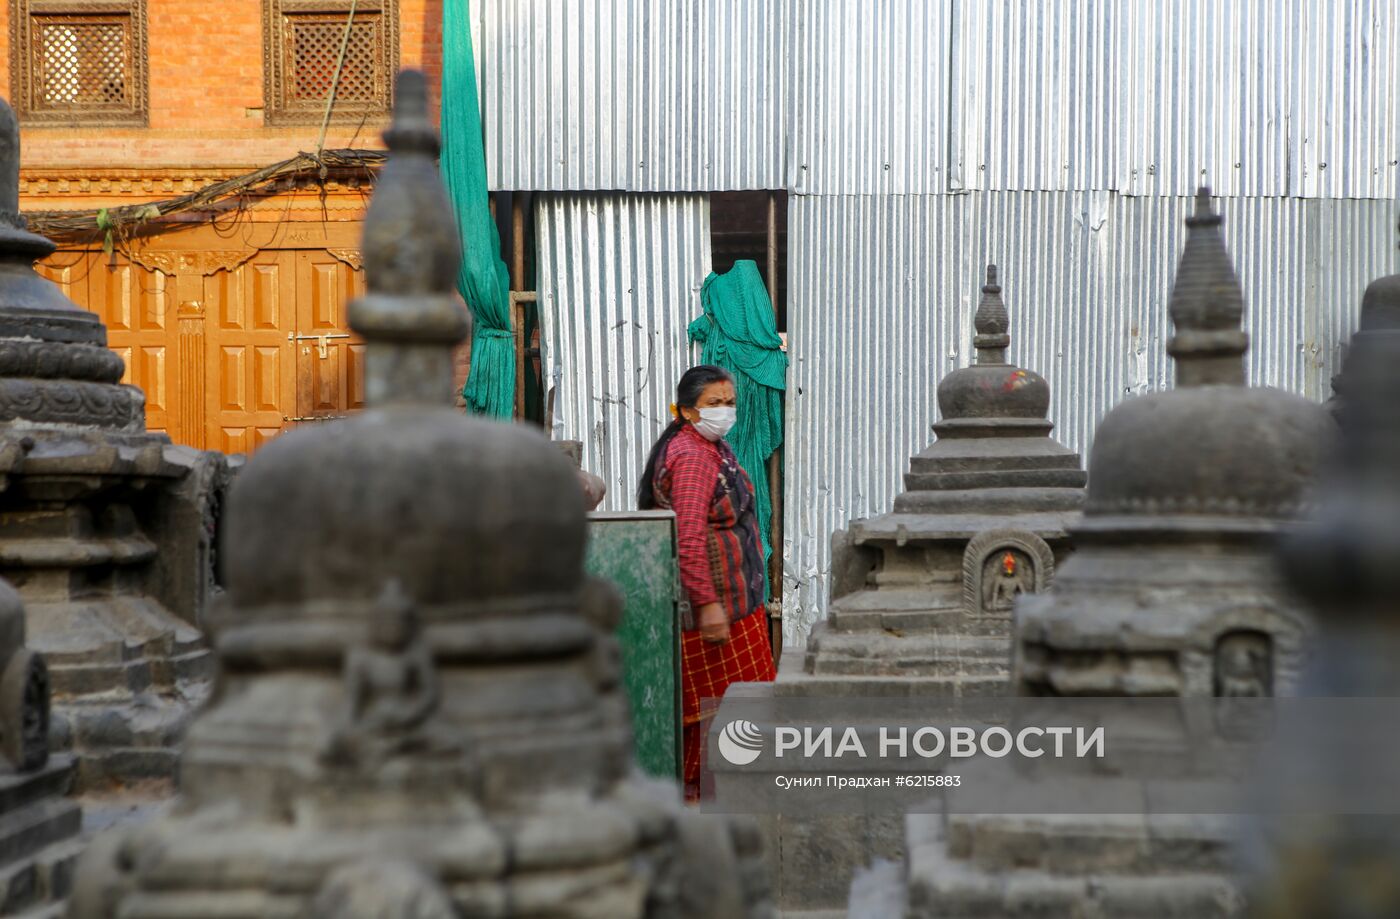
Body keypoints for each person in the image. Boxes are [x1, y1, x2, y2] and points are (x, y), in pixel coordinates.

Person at [638, 365, 776, 799]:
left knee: (733, 710)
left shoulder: (711, 446)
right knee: (719, 713)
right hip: (715, 614)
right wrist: (708, 605)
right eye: (714, 404)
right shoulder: (694, 457)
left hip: (735, 605)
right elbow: (689, 538)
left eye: (729, 402)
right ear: (687, 412)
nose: (726, 411)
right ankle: (706, 799)